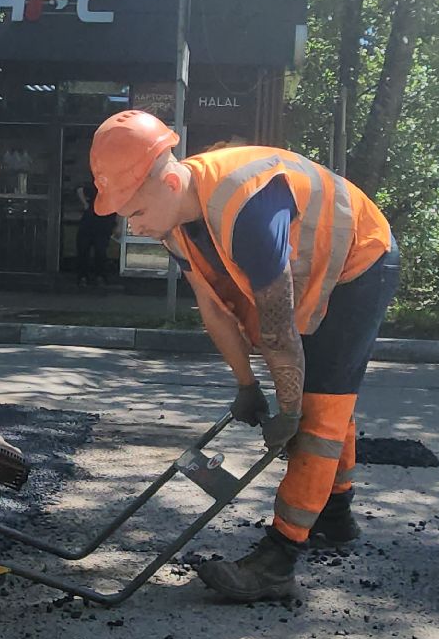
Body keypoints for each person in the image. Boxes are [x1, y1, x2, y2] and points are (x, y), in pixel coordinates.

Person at [88, 110, 398, 603]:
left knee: (320, 412)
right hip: (311, 271)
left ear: (168, 181)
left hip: (359, 262)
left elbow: (277, 332)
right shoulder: (179, 222)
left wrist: (290, 412)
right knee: (321, 400)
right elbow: (215, 310)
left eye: (134, 212)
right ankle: (335, 515)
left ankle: (279, 559)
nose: (133, 226)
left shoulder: (247, 209)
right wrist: (246, 387)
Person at [75, 183, 117, 286]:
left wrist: (85, 204)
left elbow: (79, 189)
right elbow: (80, 189)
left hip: (99, 225)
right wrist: (85, 204)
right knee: (85, 251)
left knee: (99, 252)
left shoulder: (112, 189)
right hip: (92, 224)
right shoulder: (100, 186)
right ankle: (86, 277)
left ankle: (97, 276)